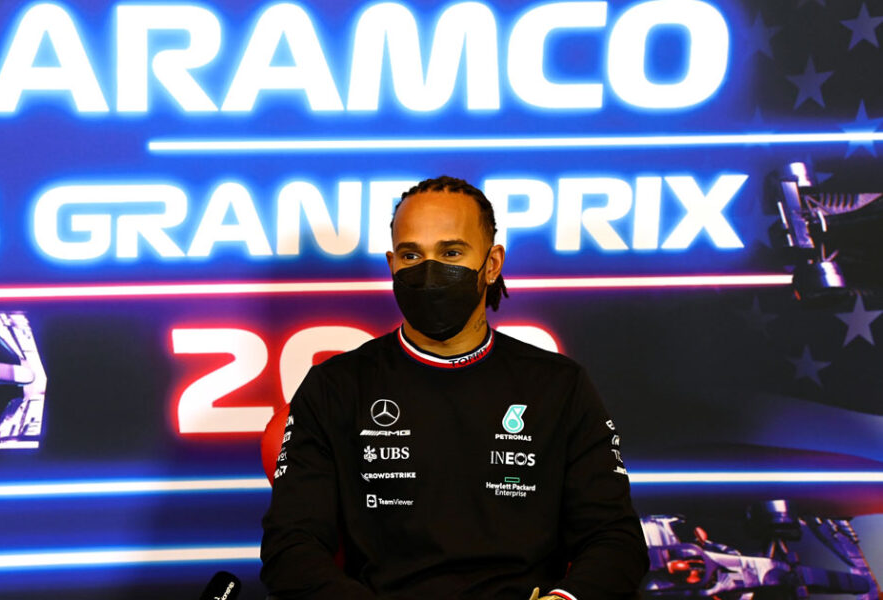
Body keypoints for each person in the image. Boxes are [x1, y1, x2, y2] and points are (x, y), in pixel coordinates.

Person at [261, 176, 649, 599]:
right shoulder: (334, 387)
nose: (429, 272)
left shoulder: (559, 386)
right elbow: (290, 549)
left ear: (492, 263)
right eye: (412, 254)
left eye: (451, 252)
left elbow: (616, 541)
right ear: (392, 264)